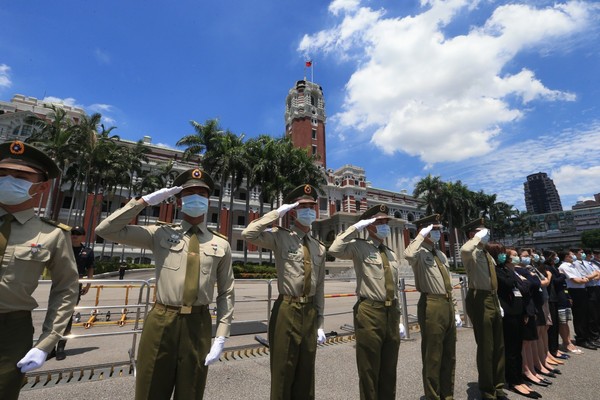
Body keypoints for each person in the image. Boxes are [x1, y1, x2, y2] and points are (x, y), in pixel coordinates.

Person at [95, 168, 235, 400]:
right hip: (161, 321)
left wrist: (222, 334)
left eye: (202, 193)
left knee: (191, 392)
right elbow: (105, 230)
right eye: (190, 193)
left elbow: (226, 292)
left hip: (197, 324)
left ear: (208, 201)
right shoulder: (159, 234)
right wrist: (143, 201)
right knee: (150, 390)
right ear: (180, 200)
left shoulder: (220, 244)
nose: (196, 197)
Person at [0, 140, 79, 400]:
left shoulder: (52, 234)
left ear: (42, 186)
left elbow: (66, 288)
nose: (7, 180)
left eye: (20, 176)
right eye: (1, 174)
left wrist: (48, 342)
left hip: (10, 330)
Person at [242, 184, 326, 400]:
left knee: (307, 373)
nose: (309, 211)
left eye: (312, 207)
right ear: (295, 210)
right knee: (283, 372)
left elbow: (320, 288)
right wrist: (277, 213)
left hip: (309, 312)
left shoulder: (319, 247)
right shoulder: (281, 237)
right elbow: (249, 234)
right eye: (303, 206)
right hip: (287, 309)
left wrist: (320, 321)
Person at [329, 204, 401, 400]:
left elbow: (394, 286)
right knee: (369, 369)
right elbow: (335, 249)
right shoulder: (359, 247)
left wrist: (399, 315)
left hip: (392, 313)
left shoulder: (391, 253)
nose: (385, 225)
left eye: (386, 222)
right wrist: (357, 227)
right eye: (379, 222)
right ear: (370, 225)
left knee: (389, 369)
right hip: (370, 311)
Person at [404, 214, 459, 400]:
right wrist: (420, 236)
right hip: (431, 304)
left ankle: (447, 395)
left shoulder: (441, 254)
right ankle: (433, 396)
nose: (438, 233)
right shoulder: (419, 253)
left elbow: (448, 284)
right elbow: (407, 254)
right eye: (433, 229)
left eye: (438, 229)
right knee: (433, 356)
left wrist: (456, 310)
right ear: (425, 231)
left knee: (449, 355)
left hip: (447, 303)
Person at [460, 218, 507, 400]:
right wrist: (475, 238)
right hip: (479, 298)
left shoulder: (485, 253)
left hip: (492, 298)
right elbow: (464, 249)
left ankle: (498, 385)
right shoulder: (470, 252)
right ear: (473, 234)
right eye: (481, 231)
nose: (486, 234)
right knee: (486, 346)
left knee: (498, 345)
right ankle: (487, 390)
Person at [495, 246, 540, 399]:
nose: (517, 258)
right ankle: (513, 380)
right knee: (511, 349)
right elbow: (509, 284)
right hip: (508, 313)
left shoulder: (513, 272)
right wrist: (518, 280)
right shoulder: (499, 270)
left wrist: (519, 280)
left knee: (518, 347)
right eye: (513, 255)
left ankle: (519, 377)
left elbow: (527, 287)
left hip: (519, 311)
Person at [50, 225, 95, 360]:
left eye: (78, 233)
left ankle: (61, 347)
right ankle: (49, 347)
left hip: (75, 285)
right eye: (72, 233)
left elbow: (90, 269)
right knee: (53, 314)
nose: (74, 235)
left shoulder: (87, 251)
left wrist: (88, 285)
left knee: (68, 316)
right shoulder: (63, 248)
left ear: (82, 236)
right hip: (60, 283)